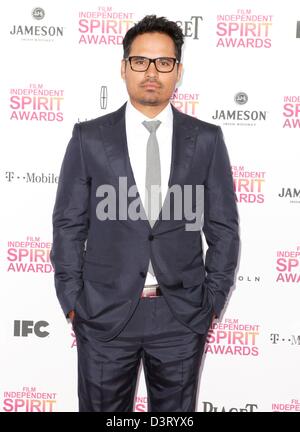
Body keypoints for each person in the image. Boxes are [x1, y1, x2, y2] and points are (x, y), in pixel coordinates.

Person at [50, 15, 239, 412]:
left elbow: (223, 228)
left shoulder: (205, 139)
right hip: (104, 316)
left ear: (178, 71)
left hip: (180, 317)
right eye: (140, 61)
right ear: (123, 68)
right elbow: (68, 224)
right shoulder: (89, 138)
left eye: (163, 63)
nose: (151, 72)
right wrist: (73, 301)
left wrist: (212, 302)